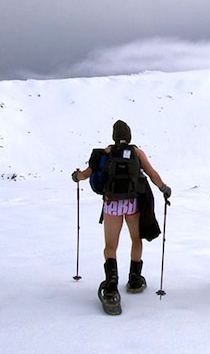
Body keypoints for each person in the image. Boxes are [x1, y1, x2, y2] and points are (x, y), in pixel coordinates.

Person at [72, 120, 171, 313]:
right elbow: (152, 174)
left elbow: (85, 175)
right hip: (132, 203)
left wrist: (76, 177)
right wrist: (164, 188)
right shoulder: (137, 153)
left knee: (110, 246)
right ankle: (134, 279)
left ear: (114, 136)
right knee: (136, 239)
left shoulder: (105, 153)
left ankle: (111, 287)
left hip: (112, 205)